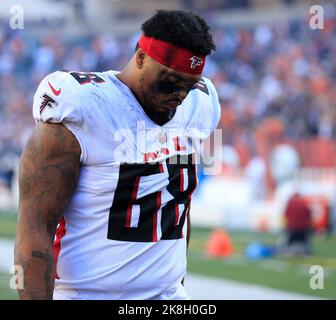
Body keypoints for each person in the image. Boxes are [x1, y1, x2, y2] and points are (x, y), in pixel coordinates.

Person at [15, 10, 220, 300]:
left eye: (188, 84)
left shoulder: (201, 104)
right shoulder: (84, 107)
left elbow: (177, 206)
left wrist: (176, 285)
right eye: (170, 80)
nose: (180, 94)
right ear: (140, 58)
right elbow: (36, 225)